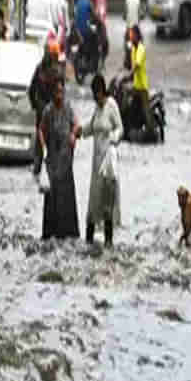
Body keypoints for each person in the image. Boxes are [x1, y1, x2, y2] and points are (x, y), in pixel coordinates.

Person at [39, 77, 82, 239]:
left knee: (67, 200)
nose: (59, 95)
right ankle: (50, 234)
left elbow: (76, 125)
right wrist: (43, 148)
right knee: (52, 200)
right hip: (52, 162)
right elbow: (41, 130)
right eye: (57, 92)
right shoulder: (48, 111)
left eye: (61, 92)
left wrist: (73, 134)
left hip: (65, 163)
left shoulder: (68, 108)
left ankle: (69, 234)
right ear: (52, 93)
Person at [85, 73, 123, 246]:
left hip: (108, 162)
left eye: (98, 95)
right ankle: (88, 242)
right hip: (96, 162)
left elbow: (120, 128)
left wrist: (113, 139)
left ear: (102, 91)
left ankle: (108, 242)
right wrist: (78, 131)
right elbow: (91, 127)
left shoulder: (111, 105)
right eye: (94, 96)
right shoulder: (97, 108)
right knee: (93, 202)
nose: (97, 100)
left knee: (107, 201)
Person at [28, 41, 62, 177]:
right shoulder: (58, 72)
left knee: (41, 138)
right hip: (51, 110)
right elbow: (61, 94)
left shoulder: (40, 69)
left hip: (42, 109)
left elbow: (31, 90)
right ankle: (50, 165)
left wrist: (35, 105)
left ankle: (38, 165)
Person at [126, 26, 154, 136]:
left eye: (132, 35)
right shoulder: (133, 48)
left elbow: (137, 65)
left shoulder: (141, 48)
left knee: (146, 111)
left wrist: (130, 74)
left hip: (142, 86)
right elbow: (130, 64)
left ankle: (151, 131)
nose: (130, 37)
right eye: (130, 35)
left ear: (137, 36)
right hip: (135, 85)